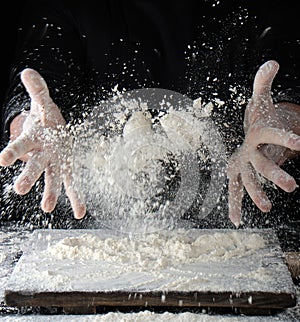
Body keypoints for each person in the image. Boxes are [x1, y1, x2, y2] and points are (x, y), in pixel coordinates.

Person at [0, 0, 299, 230]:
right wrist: (32, 125)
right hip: (92, 234)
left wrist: (281, 125)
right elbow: (37, 78)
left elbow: (285, 70)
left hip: (239, 228)